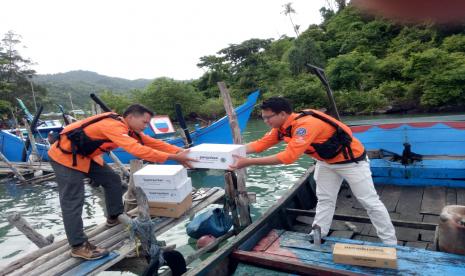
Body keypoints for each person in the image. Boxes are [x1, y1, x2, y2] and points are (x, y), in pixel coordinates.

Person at [230, 97, 397, 245]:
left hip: (352, 163)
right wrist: (230, 152)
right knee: (324, 199)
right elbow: (260, 144)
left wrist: (248, 162)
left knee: (369, 202)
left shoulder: (305, 125)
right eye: (263, 117)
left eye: (268, 117)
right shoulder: (282, 128)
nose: (266, 121)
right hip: (326, 162)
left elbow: (288, 157)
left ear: (282, 114)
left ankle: (390, 243)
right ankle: (318, 234)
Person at [48, 104, 195, 260]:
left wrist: (179, 151)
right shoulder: (113, 126)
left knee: (113, 180)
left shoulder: (129, 129)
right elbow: (138, 150)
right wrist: (175, 158)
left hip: (85, 156)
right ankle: (78, 246)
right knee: (73, 200)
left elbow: (151, 142)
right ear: (130, 117)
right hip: (64, 157)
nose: (146, 127)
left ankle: (114, 216)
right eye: (144, 122)